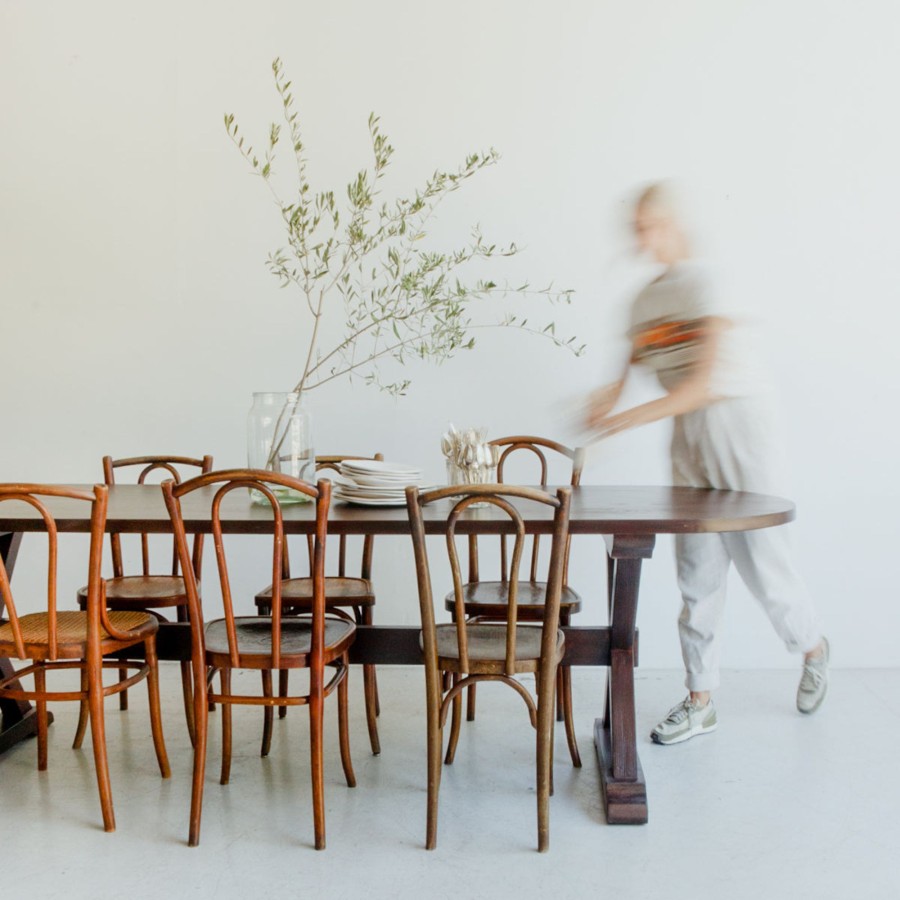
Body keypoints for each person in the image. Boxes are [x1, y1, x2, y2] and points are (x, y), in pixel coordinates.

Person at [586, 182, 828, 745]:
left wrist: (626, 420)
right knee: (695, 570)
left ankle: (813, 647)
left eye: (649, 223)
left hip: (739, 424)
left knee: (765, 564)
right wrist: (602, 405)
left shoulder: (712, 281)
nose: (641, 235)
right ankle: (700, 700)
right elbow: (622, 375)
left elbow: (701, 383)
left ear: (673, 223)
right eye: (636, 226)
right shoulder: (640, 302)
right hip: (687, 434)